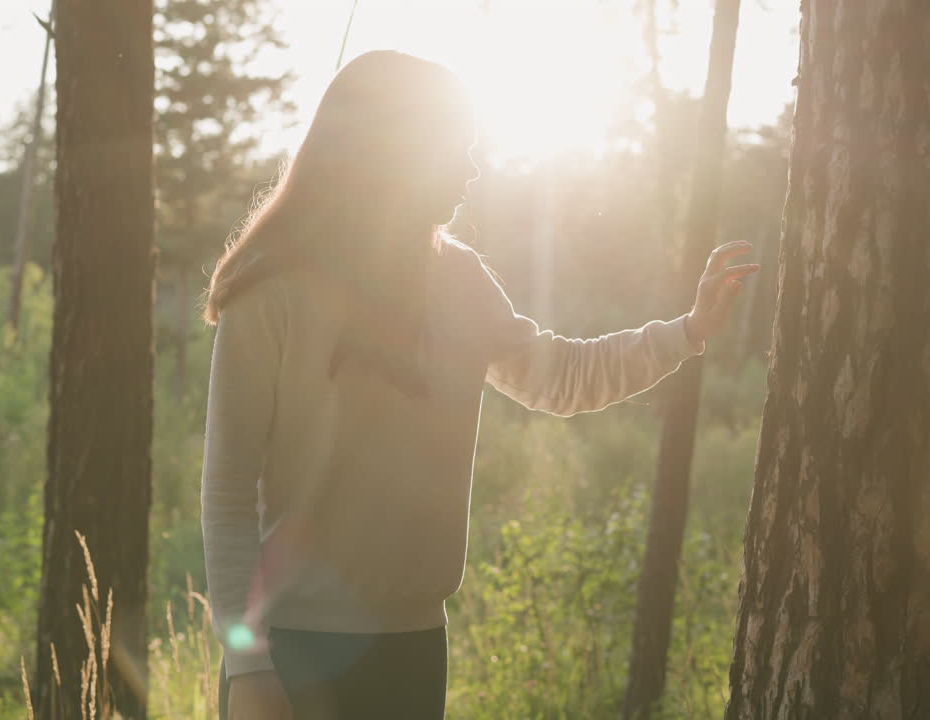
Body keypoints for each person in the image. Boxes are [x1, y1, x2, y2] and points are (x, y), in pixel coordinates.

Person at [200, 50, 759, 720]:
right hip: (290, 657)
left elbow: (563, 376)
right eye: (455, 147)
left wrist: (690, 330)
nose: (471, 169)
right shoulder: (272, 294)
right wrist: (250, 663)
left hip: (412, 652)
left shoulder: (457, 280)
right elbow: (228, 495)